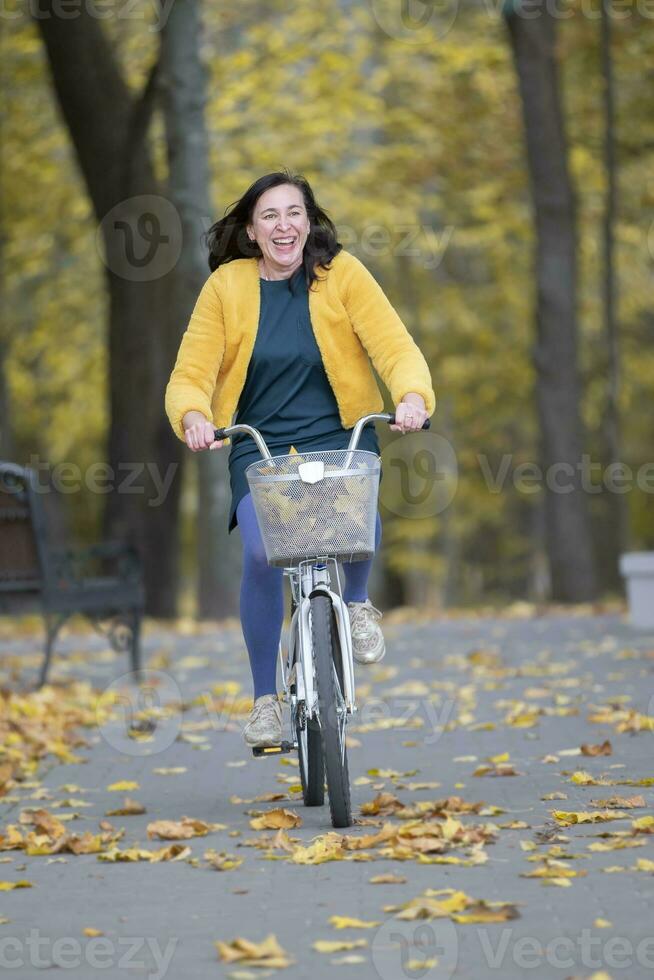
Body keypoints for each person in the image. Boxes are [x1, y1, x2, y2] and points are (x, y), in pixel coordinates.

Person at [165, 170, 435, 748]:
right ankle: (266, 700)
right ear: (251, 229)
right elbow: (192, 372)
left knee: (356, 522)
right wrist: (191, 414)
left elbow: (394, 347)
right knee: (263, 554)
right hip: (258, 442)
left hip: (339, 431)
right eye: (269, 216)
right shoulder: (226, 288)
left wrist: (411, 397)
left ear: (308, 221)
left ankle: (357, 604)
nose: (283, 225)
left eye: (293, 213)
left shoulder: (343, 276)